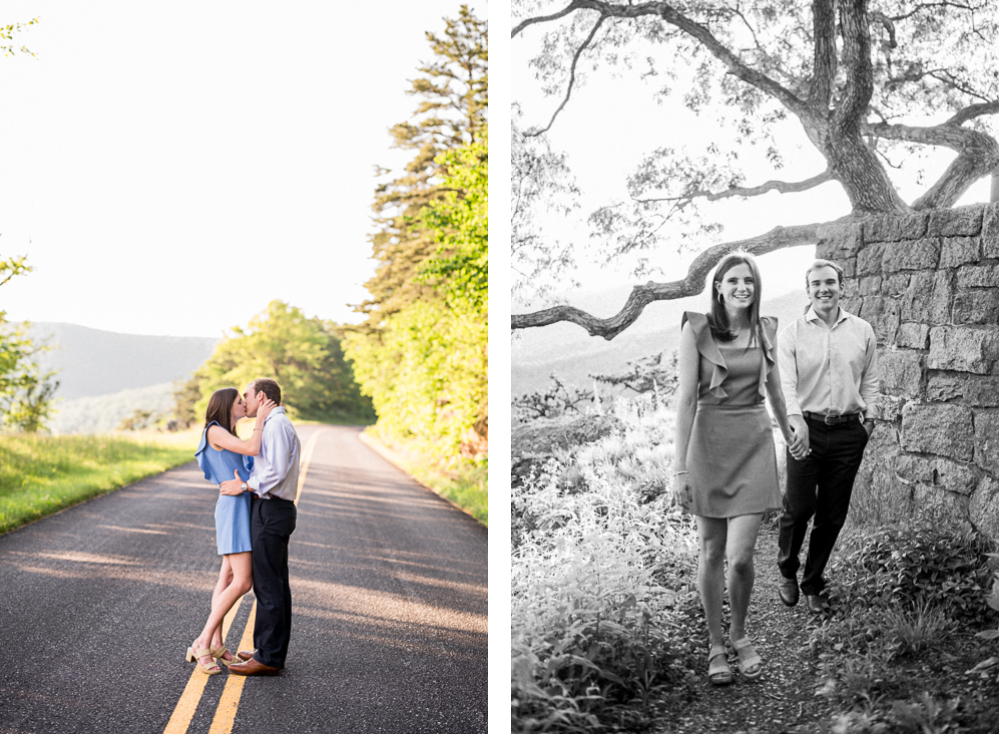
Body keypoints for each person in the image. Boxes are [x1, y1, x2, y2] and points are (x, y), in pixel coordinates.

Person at [673, 252, 806, 686]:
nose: (742, 287)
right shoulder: (695, 330)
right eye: (733, 281)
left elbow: (776, 394)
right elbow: (687, 401)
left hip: (753, 443)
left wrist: (790, 436)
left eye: (748, 280)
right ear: (718, 287)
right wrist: (679, 469)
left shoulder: (766, 329)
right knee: (712, 552)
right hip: (707, 445)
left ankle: (740, 634)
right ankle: (716, 645)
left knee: (742, 556)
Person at [776, 259, 879, 613]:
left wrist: (870, 422)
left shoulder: (862, 330)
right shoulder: (792, 333)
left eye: (830, 282)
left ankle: (812, 582)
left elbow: (870, 379)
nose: (824, 289)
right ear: (808, 290)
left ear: (841, 286)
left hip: (850, 432)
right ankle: (787, 570)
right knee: (800, 507)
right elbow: (785, 384)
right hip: (806, 429)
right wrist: (795, 422)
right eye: (816, 283)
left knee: (832, 515)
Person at [188, 387, 276, 675]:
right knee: (242, 582)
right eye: (240, 401)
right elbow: (253, 449)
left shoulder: (230, 435)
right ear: (228, 405)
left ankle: (216, 642)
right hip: (232, 509)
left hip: (241, 506)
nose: (245, 404)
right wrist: (261, 419)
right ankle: (202, 642)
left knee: (226, 578)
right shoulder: (215, 432)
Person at [220, 378, 301, 677]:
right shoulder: (274, 424)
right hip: (271, 509)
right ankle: (268, 650)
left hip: (272, 509)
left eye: (247, 396)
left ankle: (268, 656)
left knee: (268, 585)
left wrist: (244, 485)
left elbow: (275, 472)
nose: (245, 401)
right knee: (274, 584)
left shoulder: (277, 426)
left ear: (262, 396)